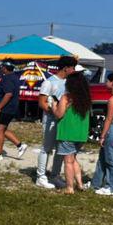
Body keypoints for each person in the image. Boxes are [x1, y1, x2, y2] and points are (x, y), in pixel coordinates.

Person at [35, 56, 77, 189]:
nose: (74, 70)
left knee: (61, 150)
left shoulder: (69, 83)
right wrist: (54, 110)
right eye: (72, 67)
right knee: (46, 148)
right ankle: (40, 176)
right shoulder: (49, 82)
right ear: (66, 68)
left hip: (64, 121)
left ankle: (55, 175)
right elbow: (41, 103)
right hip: (51, 121)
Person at [54, 71, 91, 194]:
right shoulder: (86, 98)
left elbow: (59, 114)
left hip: (67, 132)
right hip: (80, 134)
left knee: (68, 161)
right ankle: (80, 184)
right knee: (73, 159)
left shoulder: (66, 97)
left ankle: (70, 187)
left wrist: (53, 105)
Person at [91, 71, 113, 196]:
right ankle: (95, 183)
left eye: (108, 81)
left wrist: (102, 135)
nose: (106, 83)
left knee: (112, 160)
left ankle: (112, 187)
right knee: (102, 158)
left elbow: (109, 119)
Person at [0, 61, 28, 161]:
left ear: (5, 68)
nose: (1, 68)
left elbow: (8, 94)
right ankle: (20, 145)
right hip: (9, 108)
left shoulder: (7, 78)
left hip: (6, 109)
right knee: (1, 129)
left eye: (2, 67)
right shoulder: (13, 77)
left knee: (0, 130)